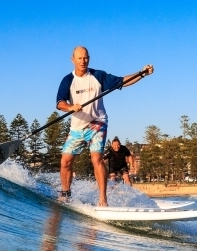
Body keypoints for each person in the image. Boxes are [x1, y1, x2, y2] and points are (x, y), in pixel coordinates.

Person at [56, 46, 153, 206]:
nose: (83, 61)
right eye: (79, 58)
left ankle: (103, 199)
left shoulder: (97, 76)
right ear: (72, 60)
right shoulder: (68, 80)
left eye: (86, 57)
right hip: (78, 127)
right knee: (65, 161)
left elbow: (122, 81)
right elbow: (60, 103)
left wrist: (141, 74)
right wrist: (70, 107)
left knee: (97, 158)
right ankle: (66, 193)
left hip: (97, 123)